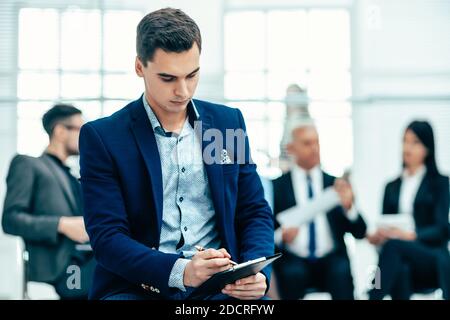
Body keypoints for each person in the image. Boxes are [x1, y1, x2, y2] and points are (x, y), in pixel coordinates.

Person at [78, 8, 274, 300]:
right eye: (168, 78)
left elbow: (253, 209)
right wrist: (180, 271)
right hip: (137, 286)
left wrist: (257, 273)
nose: (183, 91)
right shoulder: (104, 137)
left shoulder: (224, 125)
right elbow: (107, 238)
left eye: (192, 75)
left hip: (221, 286)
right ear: (139, 67)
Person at [2, 104, 95, 299]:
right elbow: (11, 220)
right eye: (81, 130)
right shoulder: (28, 164)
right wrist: (61, 224)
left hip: (87, 258)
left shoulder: (72, 175)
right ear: (61, 131)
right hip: (66, 268)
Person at [271, 122, 367, 300]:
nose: (314, 148)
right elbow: (265, 232)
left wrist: (349, 207)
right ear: (291, 148)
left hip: (332, 259)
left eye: (317, 142)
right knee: (291, 273)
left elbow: (361, 232)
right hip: (294, 259)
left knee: (341, 271)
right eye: (307, 143)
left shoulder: (336, 185)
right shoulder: (277, 187)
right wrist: (281, 237)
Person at [367, 120, 450, 300]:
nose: (407, 147)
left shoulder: (440, 183)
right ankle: (374, 293)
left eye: (415, 142)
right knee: (399, 265)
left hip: (430, 256)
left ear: (427, 148)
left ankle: (373, 295)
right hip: (400, 256)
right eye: (405, 141)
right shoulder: (391, 187)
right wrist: (379, 235)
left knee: (394, 246)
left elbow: (443, 229)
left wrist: (411, 235)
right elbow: (386, 222)